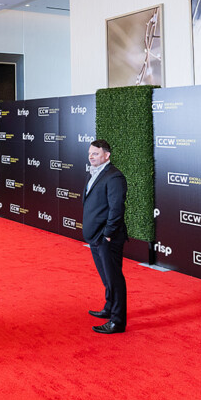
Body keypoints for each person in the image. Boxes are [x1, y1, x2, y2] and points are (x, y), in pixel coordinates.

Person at [82, 138, 128, 334]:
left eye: (96, 153)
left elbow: (116, 209)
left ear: (106, 156)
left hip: (107, 238)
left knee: (114, 278)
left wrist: (107, 235)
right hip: (96, 237)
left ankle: (117, 321)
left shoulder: (114, 177)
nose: (91, 156)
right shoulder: (96, 173)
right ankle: (109, 308)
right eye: (90, 153)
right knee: (106, 277)